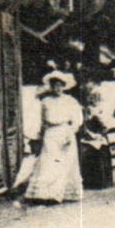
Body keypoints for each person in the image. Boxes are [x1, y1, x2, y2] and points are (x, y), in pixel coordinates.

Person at [25, 70, 83, 204]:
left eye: (60, 85)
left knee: (64, 163)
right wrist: (39, 136)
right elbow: (42, 121)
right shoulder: (46, 102)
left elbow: (76, 120)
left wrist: (71, 133)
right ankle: (45, 194)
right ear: (51, 86)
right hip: (50, 135)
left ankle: (61, 193)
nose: (58, 88)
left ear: (64, 86)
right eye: (55, 85)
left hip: (65, 133)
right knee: (48, 162)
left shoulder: (70, 101)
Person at [79, 111, 114, 190]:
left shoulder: (95, 118)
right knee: (91, 151)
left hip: (94, 141)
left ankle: (103, 180)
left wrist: (98, 135)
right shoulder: (82, 121)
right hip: (84, 142)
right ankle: (92, 182)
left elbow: (102, 130)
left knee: (101, 149)